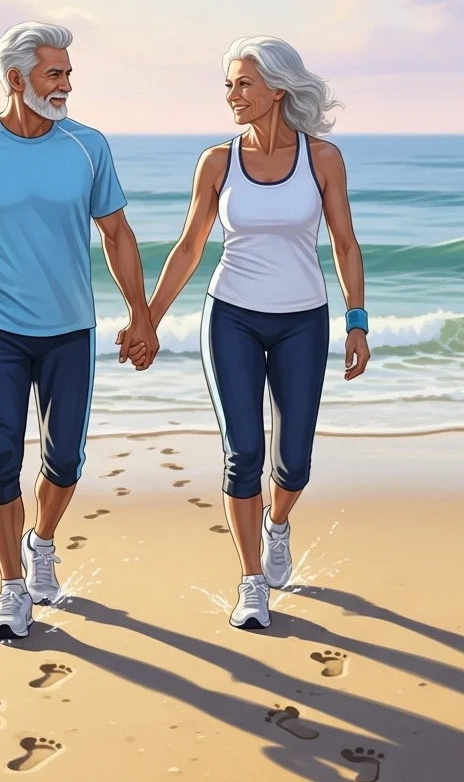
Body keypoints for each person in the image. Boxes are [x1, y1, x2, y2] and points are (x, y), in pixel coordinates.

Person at [0, 21, 159, 640]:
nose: (67, 85)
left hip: (69, 331)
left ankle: (42, 541)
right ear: (15, 79)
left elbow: (117, 232)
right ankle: (10, 589)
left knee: (66, 459)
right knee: (0, 458)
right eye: (56, 73)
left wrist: (140, 313)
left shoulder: (88, 147)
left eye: (69, 73)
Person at [135, 36, 369, 630]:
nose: (232, 95)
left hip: (303, 321)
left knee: (293, 463)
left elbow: (345, 243)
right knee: (244, 455)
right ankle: (251, 580)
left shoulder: (323, 159)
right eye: (229, 85)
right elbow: (190, 247)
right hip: (231, 316)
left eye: (243, 84)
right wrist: (148, 318)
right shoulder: (217, 162)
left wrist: (356, 320)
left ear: (277, 90)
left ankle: (278, 525)